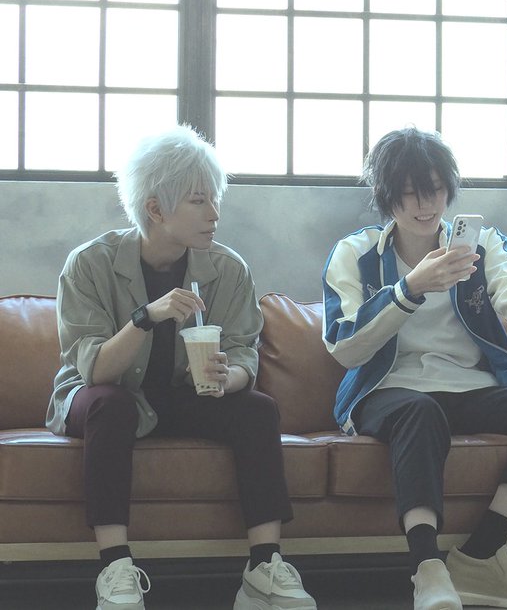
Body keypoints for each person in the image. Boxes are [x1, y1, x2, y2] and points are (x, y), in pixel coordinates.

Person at [45, 125, 316, 610]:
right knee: (111, 405)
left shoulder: (227, 269)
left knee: (257, 409)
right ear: (155, 209)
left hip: (182, 396)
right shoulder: (89, 265)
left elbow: (243, 351)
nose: (214, 214)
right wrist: (146, 317)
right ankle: (116, 567)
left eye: (215, 199)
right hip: (101, 396)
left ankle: (264, 567)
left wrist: (228, 378)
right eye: (198, 201)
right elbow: (96, 370)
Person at [321, 128, 507, 610]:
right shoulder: (355, 254)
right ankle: (427, 570)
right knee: (420, 410)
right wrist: (409, 288)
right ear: (387, 196)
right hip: (388, 391)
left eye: (434, 190)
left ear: (449, 188)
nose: (424, 205)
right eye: (409, 193)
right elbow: (344, 348)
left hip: (470, 390)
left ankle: (481, 554)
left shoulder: (481, 244)